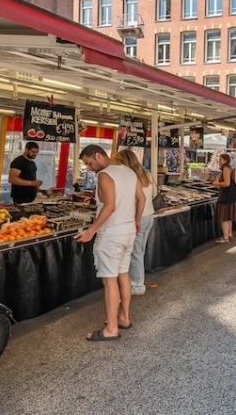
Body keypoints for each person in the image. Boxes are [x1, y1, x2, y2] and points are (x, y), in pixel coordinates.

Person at [75, 144, 145, 342]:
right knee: (123, 274)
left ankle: (112, 328)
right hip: (128, 231)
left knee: (109, 280)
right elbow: (142, 198)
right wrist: (136, 220)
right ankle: (124, 317)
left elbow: (110, 206)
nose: (89, 168)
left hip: (112, 234)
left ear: (98, 155)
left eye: (89, 163)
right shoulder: (130, 172)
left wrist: (91, 230)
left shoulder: (105, 175)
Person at [113, 148, 155, 296]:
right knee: (139, 251)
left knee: (135, 253)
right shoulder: (146, 173)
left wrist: (135, 219)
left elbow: (136, 199)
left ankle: (137, 285)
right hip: (149, 216)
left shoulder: (130, 176)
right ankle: (135, 281)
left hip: (138, 217)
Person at [211, 153, 236, 243]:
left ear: (225, 161)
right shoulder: (229, 168)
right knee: (228, 216)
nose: (219, 161)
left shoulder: (226, 169)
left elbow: (227, 183)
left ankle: (225, 237)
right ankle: (229, 234)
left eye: (220, 160)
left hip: (226, 196)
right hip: (231, 196)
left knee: (224, 217)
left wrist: (216, 184)